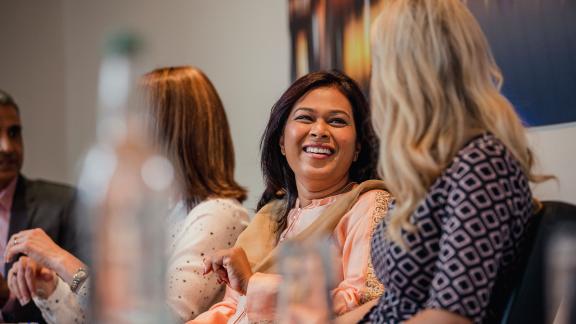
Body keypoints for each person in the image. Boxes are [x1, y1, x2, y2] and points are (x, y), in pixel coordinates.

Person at [4, 66, 251, 323]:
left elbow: (166, 316)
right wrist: (49, 285)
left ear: (175, 132)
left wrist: (60, 259)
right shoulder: (157, 211)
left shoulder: (218, 214)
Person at [362, 0, 552, 323]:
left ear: (405, 73)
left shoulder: (482, 163)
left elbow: (453, 315)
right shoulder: (433, 167)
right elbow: (395, 302)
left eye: (379, 63)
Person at [191, 70, 391, 324]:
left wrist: (255, 284)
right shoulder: (269, 217)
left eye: (337, 121)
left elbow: (366, 301)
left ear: (358, 148)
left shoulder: (369, 204)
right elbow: (232, 308)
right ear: (282, 141)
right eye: (305, 118)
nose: (319, 130)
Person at [0, 89, 78, 323]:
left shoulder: (64, 204)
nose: (7, 146)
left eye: (14, 133)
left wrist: (11, 296)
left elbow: (89, 299)